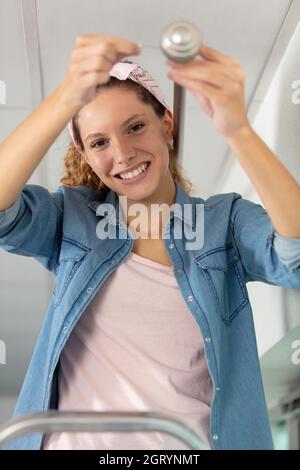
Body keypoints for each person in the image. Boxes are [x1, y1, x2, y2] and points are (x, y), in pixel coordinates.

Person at [0, 33, 299, 451]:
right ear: (86, 155)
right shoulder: (73, 218)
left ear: (167, 124)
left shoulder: (223, 223)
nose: (122, 153)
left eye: (135, 127)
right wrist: (64, 98)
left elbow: (296, 257)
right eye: (99, 142)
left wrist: (239, 131)